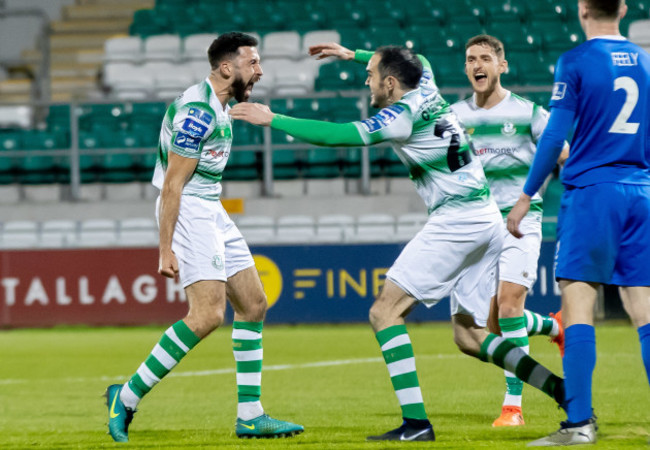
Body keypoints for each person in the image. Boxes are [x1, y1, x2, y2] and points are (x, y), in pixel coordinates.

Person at [231, 42, 566, 442]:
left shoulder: (401, 116)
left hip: (456, 220)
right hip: (486, 218)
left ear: (390, 83)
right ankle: (561, 389)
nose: (367, 82)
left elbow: (340, 136)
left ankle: (416, 423)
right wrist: (351, 54)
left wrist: (273, 118)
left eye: (371, 77)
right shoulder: (425, 83)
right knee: (469, 335)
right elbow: (419, 58)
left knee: (383, 312)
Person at [104, 32, 304, 442]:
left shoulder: (220, 106)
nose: (260, 70)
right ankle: (125, 397)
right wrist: (165, 247)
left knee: (253, 304)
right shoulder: (198, 113)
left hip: (210, 207)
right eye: (253, 63)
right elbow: (173, 185)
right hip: (189, 210)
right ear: (227, 68)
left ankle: (250, 416)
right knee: (208, 315)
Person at [507, 0, 650, 446]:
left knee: (578, 305)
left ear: (583, 8)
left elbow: (554, 135)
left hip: (593, 195)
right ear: (623, 8)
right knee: (644, 311)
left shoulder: (575, 61)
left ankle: (579, 424)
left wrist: (527, 194)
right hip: (642, 193)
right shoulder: (647, 60)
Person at [451, 34, 568, 427]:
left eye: (485, 58)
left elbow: (563, 151)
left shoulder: (528, 112)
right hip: (476, 227)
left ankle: (513, 406)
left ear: (503, 66)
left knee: (508, 307)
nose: (477, 64)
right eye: (471, 59)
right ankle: (554, 326)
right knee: (485, 329)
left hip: (521, 221)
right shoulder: (454, 117)